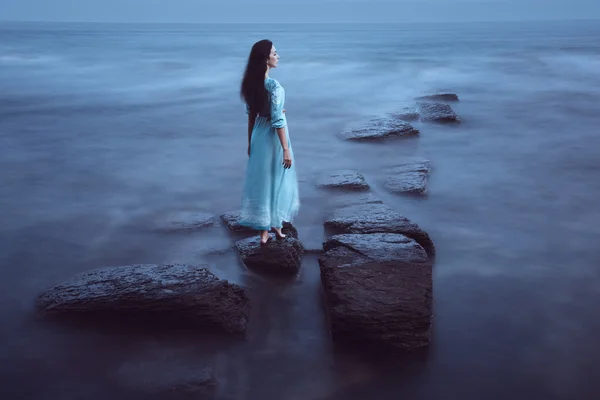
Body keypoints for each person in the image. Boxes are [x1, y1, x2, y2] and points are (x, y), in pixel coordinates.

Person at [239, 39, 300, 245]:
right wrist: (285, 149)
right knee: (277, 179)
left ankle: (267, 230)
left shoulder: (250, 84)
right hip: (273, 137)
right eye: (275, 53)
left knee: (263, 181)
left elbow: (251, 116)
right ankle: (274, 225)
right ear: (266, 59)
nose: (278, 56)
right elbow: (277, 120)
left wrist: (250, 143)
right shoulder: (275, 87)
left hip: (258, 134)